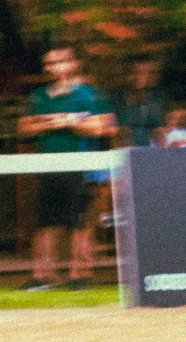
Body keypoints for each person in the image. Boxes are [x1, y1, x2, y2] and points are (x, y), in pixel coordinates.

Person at [15, 45, 116, 290]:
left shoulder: (91, 94)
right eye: (48, 63)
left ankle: (80, 275)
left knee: (79, 221)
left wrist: (71, 121)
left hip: (80, 164)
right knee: (45, 222)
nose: (51, 68)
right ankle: (43, 276)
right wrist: (53, 122)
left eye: (58, 62)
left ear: (73, 64)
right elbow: (24, 127)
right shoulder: (39, 96)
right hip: (48, 165)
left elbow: (106, 127)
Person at [115, 58, 168, 149]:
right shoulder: (118, 101)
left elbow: (159, 132)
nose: (145, 77)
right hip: (126, 154)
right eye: (139, 73)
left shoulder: (154, 100)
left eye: (150, 73)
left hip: (147, 153)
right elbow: (119, 135)